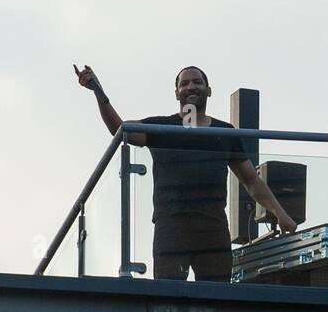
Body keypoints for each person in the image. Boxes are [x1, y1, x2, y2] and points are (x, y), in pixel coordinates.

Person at [74, 63, 297, 282]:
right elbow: (120, 129)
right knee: (169, 297)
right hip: (171, 226)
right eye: (185, 83)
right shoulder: (162, 128)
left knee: (217, 300)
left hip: (213, 227)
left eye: (197, 82)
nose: (191, 87)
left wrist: (280, 213)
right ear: (177, 93)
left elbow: (251, 181)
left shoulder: (224, 132)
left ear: (208, 90)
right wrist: (98, 91)